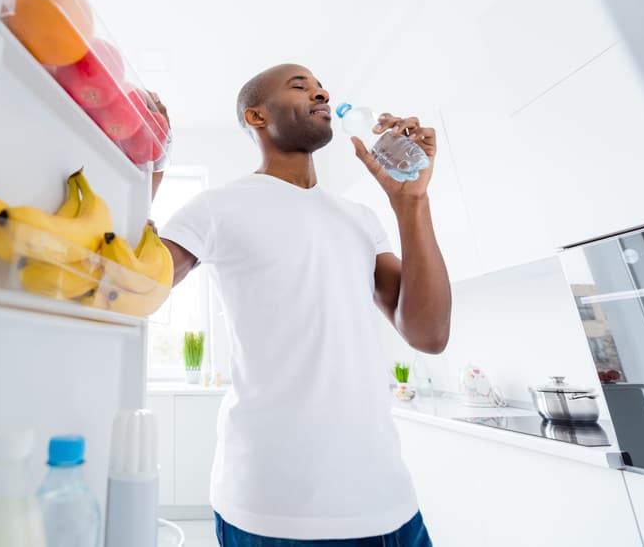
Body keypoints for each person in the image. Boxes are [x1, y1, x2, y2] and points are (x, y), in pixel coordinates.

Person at [149, 64, 451, 546]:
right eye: (300, 86)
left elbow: (429, 334)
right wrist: (149, 174)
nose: (321, 92)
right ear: (256, 116)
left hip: (390, 505)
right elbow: (136, 288)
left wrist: (411, 203)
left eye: (320, 87)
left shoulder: (359, 218)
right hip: (274, 510)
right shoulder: (217, 207)